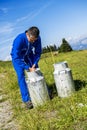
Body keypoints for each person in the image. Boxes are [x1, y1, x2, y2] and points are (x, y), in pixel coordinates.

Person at [11, 26, 42, 109]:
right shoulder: (19, 39)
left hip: (29, 56)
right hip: (18, 59)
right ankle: (27, 100)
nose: (34, 41)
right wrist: (27, 68)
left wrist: (35, 63)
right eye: (32, 40)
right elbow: (15, 56)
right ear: (28, 35)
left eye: (35, 39)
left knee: (36, 71)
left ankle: (42, 90)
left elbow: (38, 52)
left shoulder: (37, 38)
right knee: (21, 76)